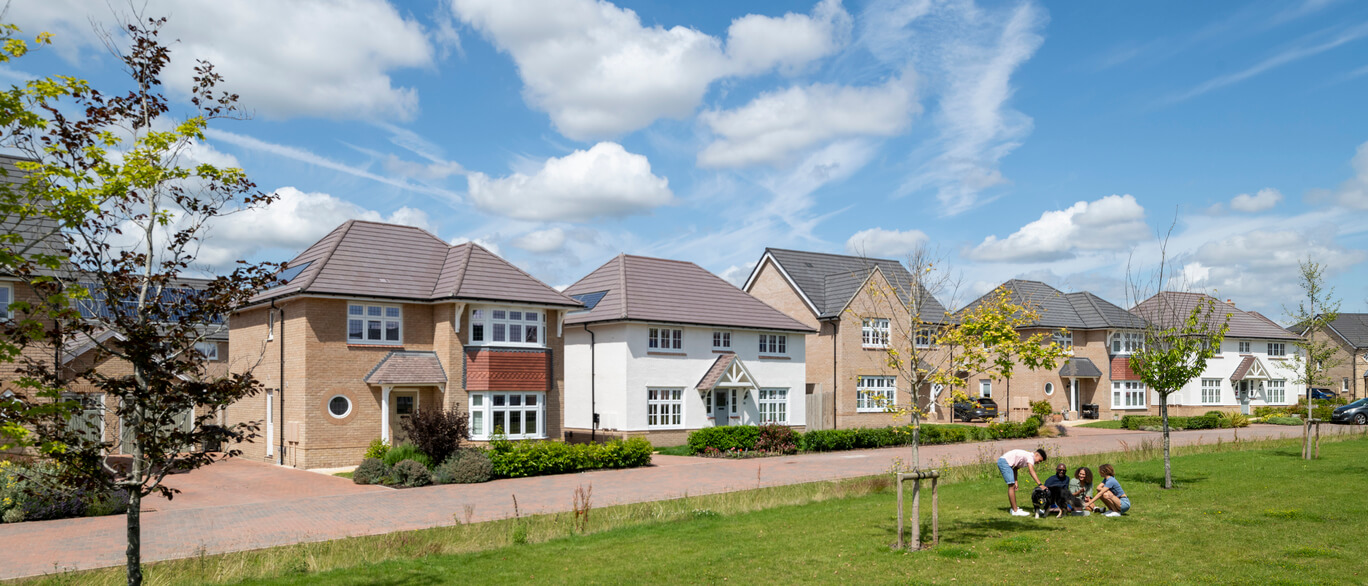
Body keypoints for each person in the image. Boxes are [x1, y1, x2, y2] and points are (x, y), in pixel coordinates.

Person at [997, 448, 1046, 517]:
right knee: (1011, 486)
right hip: (1004, 462)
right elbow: (1031, 471)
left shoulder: (1027, 457)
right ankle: (1015, 511)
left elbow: (1015, 469)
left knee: (1012, 485)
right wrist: (1040, 484)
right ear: (1036, 455)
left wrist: (1016, 481)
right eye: (1039, 460)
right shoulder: (1030, 457)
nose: (1038, 463)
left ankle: (1015, 509)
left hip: (1005, 462)